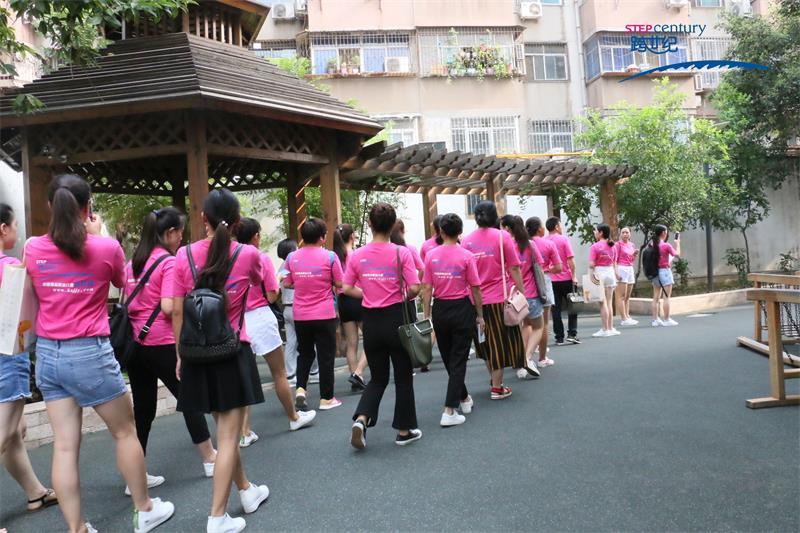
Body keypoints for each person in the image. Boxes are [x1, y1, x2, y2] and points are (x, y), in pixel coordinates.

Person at [25, 175, 174, 533]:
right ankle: (145, 508)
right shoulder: (106, 248)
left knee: (64, 446)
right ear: (87, 207)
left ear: (51, 206)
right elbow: (124, 284)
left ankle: (77, 528)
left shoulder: (32, 247)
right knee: (124, 432)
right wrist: (101, 234)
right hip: (88, 352)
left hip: (48, 354)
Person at [172, 189, 269, 533]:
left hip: (196, 354)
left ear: (203, 219)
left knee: (224, 433)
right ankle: (216, 517)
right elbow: (263, 287)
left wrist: (179, 355)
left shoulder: (183, 256)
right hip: (231, 351)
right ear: (238, 221)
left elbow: (177, 311)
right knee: (228, 438)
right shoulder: (247, 253)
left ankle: (247, 491)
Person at [124, 207, 216, 492]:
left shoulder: (132, 264)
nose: (181, 237)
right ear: (170, 233)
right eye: (180, 232)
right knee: (190, 399)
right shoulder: (169, 263)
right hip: (162, 342)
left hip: (135, 346)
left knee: (143, 409)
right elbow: (167, 306)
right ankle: (210, 458)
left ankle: (135, 477)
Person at [344, 203, 422, 449]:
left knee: (377, 378)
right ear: (392, 226)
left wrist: (367, 293)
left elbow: (346, 288)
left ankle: (361, 418)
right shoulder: (402, 253)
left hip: (371, 321)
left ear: (369, 224)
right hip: (396, 319)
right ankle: (404, 430)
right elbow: (415, 287)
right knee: (402, 377)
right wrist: (400, 294)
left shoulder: (357, 255)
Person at [236, 218, 316, 447]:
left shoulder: (228, 257)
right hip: (261, 317)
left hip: (237, 320)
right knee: (279, 373)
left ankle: (244, 431)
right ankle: (293, 417)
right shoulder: (260, 258)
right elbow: (272, 293)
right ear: (255, 236)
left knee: (243, 377)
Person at [0, 204, 58, 518]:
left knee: (13, 432)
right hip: (7, 355)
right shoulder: (10, 267)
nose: (16, 230)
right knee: (5, 431)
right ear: (2, 230)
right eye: (14, 225)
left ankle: (36, 493)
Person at [462, 202, 528, 400]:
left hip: (475, 300)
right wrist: (522, 292)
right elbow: (514, 267)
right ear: (494, 216)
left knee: (485, 342)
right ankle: (497, 387)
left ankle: (494, 379)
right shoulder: (503, 237)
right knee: (499, 342)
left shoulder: (467, 241)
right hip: (499, 297)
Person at [421, 213, 481, 426]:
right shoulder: (467, 256)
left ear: (441, 232)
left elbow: (427, 287)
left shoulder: (431, 255)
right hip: (462, 308)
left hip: (440, 309)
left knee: (449, 358)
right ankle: (449, 410)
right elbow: (475, 286)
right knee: (458, 359)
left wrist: (426, 315)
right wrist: (480, 315)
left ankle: (463, 397)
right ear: (459, 232)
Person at [283, 218, 344, 412]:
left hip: (301, 314)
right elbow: (340, 283)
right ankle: (326, 398)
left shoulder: (291, 258)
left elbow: (286, 282)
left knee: (305, 353)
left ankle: (301, 388)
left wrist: (300, 282)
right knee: (326, 356)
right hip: (324, 313)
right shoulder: (331, 257)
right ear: (322, 237)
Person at [501, 215, 545, 379]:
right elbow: (539, 265)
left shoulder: (505, 245)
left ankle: (521, 362)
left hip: (513, 295)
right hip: (531, 293)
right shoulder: (530, 244)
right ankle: (527, 357)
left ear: (507, 229)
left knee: (523, 326)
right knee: (538, 327)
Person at [333, 224, 368, 392]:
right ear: (352, 236)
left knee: (352, 343)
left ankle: (355, 374)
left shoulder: (335, 257)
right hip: (358, 296)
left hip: (343, 301)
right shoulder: (356, 255)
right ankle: (359, 374)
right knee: (371, 338)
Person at [527, 216, 562, 367]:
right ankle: (542, 358)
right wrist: (546, 270)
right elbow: (559, 267)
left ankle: (524, 358)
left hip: (526, 283)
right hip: (544, 281)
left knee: (526, 324)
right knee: (544, 323)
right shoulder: (549, 244)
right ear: (540, 229)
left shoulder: (522, 245)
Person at [545, 216, 580, 346]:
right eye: (560, 224)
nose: (561, 227)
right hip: (566, 278)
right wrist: (574, 275)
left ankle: (559, 337)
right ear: (556, 227)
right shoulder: (563, 239)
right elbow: (570, 259)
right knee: (572, 307)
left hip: (551, 280)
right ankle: (572, 334)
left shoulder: (544, 241)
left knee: (556, 309)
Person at [589, 223, 619, 337]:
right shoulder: (613, 246)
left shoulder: (594, 247)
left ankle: (604, 329)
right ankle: (610, 328)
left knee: (603, 303)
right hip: (610, 273)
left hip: (599, 273)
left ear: (601, 232)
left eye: (596, 231)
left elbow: (591, 264)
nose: (595, 233)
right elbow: (614, 261)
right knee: (609, 302)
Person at [649, 224, 681, 327]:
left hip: (655, 272)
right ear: (663, 233)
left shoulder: (651, 245)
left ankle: (655, 320)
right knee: (666, 297)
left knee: (655, 297)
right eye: (666, 232)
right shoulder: (666, 245)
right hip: (665, 271)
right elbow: (677, 254)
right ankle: (666, 319)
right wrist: (678, 243)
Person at [614, 227, 639, 326]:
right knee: (621, 296)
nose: (625, 234)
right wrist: (616, 272)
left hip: (629, 268)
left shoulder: (632, 245)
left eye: (627, 232)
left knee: (627, 296)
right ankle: (623, 318)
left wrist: (634, 255)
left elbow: (631, 260)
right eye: (623, 232)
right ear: (620, 234)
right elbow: (614, 260)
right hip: (621, 268)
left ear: (630, 234)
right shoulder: (617, 245)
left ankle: (627, 316)